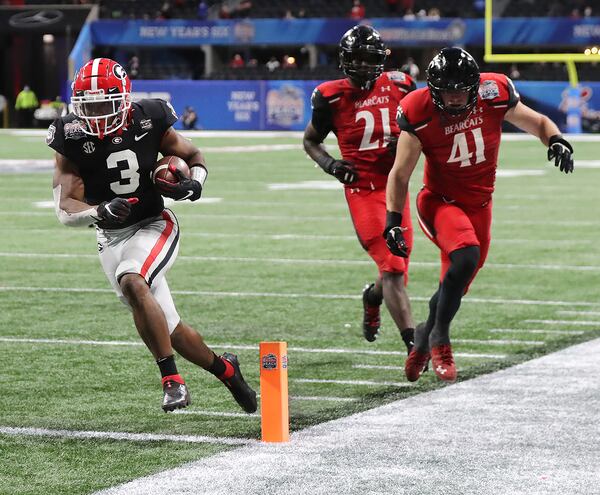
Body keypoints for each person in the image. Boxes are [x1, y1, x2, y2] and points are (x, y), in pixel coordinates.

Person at [47, 58, 257, 414]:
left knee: (132, 279)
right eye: (88, 104)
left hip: (154, 222)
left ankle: (171, 381)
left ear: (125, 99)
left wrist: (194, 184)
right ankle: (226, 369)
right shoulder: (69, 134)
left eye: (104, 103)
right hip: (109, 235)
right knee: (169, 327)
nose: (96, 112)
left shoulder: (151, 116)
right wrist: (99, 211)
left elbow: (192, 155)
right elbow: (65, 208)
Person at [385, 47, 574, 383]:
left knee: (455, 285)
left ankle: (423, 337)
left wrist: (556, 140)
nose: (455, 99)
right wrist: (392, 222)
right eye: (448, 92)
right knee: (466, 258)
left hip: (480, 206)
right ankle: (441, 338)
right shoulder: (419, 109)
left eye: (461, 91)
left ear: (474, 87)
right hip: (440, 201)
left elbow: (539, 123)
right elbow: (400, 174)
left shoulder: (494, 92)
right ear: (434, 89)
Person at [303, 25, 417, 355]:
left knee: (396, 270)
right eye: (360, 58)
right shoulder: (330, 95)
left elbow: (420, 127)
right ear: (346, 60)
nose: (366, 65)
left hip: (397, 186)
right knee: (394, 268)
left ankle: (372, 298)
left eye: (372, 59)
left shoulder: (401, 85)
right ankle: (413, 344)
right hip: (363, 191)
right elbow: (311, 140)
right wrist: (331, 165)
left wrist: (408, 141)